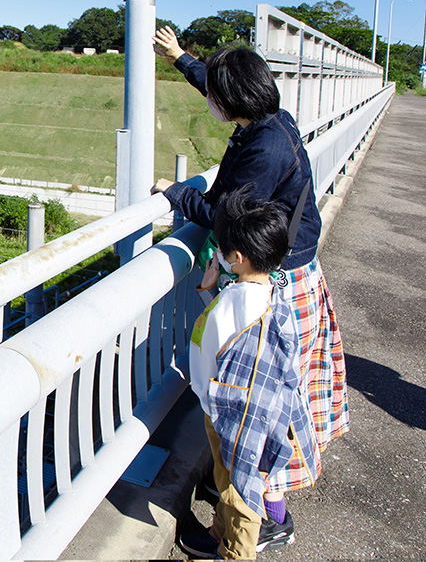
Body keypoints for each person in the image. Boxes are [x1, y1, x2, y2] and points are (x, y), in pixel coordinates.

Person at [151, 28, 349, 548]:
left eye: (215, 94)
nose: (211, 102)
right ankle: (264, 508)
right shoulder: (270, 120)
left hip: (278, 287)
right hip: (288, 273)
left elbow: (224, 214)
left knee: (262, 405)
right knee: (270, 401)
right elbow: (222, 85)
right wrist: (181, 59)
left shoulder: (263, 148)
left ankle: (263, 521)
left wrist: (175, 194)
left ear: (232, 100)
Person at [179, 187, 319, 560]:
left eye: (224, 252)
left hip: (228, 412)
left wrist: (209, 292)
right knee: (239, 482)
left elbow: (211, 345)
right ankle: (219, 536)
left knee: (237, 490)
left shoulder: (232, 304)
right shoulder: (274, 293)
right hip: (261, 407)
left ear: (236, 257)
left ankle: (235, 553)